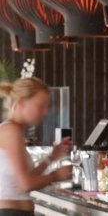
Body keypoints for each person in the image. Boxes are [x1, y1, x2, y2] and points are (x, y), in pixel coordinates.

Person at [0, 78, 73, 215]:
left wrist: (52, 156)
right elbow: (25, 184)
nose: (45, 112)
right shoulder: (11, 132)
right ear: (21, 102)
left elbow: (27, 178)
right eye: (40, 106)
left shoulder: (12, 130)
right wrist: (56, 175)